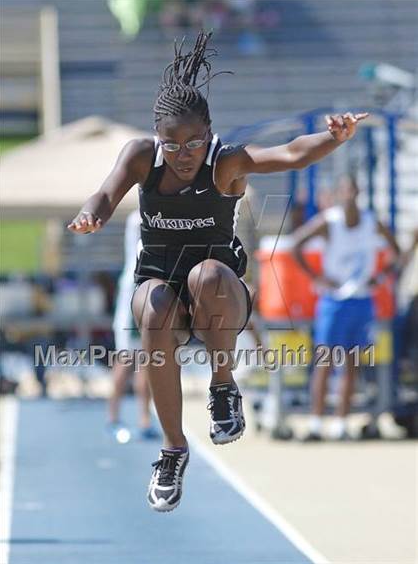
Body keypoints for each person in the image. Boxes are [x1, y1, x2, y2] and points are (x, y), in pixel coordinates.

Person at [68, 30, 369, 511]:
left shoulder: (227, 162)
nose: (183, 154)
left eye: (193, 143)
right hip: (163, 285)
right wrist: (92, 215)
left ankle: (222, 384)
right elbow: (105, 193)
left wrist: (332, 138)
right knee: (150, 305)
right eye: (172, 145)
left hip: (219, 293)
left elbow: (290, 153)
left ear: (210, 134)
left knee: (204, 274)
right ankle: (173, 450)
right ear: (156, 137)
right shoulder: (140, 157)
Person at [292, 175, 400, 441]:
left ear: (358, 192)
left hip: (362, 299)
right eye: (344, 190)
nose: (349, 194)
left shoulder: (370, 221)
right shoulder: (330, 221)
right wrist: (316, 277)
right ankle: (316, 424)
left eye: (352, 190)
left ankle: (341, 423)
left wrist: (381, 276)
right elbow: (296, 245)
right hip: (334, 300)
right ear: (340, 193)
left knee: (352, 364)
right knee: (325, 361)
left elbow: (396, 251)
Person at [107, 209, 160, 443]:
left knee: (146, 361)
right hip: (133, 294)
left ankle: (144, 419)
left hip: (146, 292)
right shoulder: (139, 217)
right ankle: (113, 417)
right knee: (126, 359)